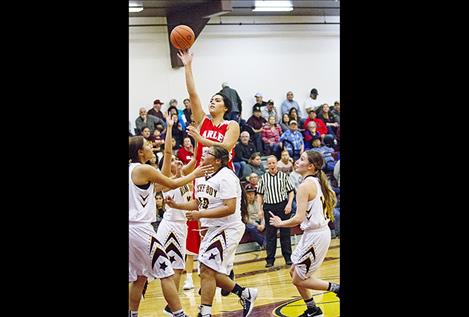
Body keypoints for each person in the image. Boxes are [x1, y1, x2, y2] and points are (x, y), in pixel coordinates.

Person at [166, 145, 258, 317]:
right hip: (213, 228)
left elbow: (229, 208)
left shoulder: (226, 177)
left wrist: (200, 214)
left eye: (208, 152)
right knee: (206, 271)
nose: (203, 153)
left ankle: (205, 313)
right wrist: (176, 205)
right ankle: (245, 293)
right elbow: (197, 202)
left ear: (217, 160)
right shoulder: (201, 175)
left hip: (228, 227)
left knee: (208, 269)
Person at [128, 135, 212, 317]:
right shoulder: (142, 169)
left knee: (140, 277)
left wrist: (169, 129)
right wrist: (195, 174)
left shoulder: (136, 172)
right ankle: (178, 313)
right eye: (147, 145)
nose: (151, 146)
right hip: (142, 229)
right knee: (166, 272)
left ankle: (132, 314)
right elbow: (172, 182)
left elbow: (164, 179)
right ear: (140, 152)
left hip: (132, 230)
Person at [269, 150, 340, 317]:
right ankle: (313, 309)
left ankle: (336, 288)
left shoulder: (305, 185)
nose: (297, 161)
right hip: (313, 234)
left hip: (316, 235)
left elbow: (299, 218)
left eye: (301, 159)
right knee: (294, 272)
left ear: (310, 166)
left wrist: (281, 223)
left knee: (298, 279)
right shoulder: (313, 181)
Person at [177, 50, 240, 170]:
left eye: (217, 100)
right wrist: (187, 66)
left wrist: (201, 140)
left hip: (223, 173)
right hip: (202, 174)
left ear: (226, 107)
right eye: (211, 100)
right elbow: (192, 94)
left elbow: (225, 147)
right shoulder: (203, 120)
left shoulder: (232, 125)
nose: (212, 102)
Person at [257, 156, 295, 268]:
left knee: (285, 233)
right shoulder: (263, 178)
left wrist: (289, 204)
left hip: (282, 206)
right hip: (269, 207)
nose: (272, 165)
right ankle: (270, 260)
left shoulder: (284, 176)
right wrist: (260, 209)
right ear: (267, 165)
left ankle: (288, 258)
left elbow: (291, 192)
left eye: (273, 163)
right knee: (270, 235)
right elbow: (259, 195)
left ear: (276, 164)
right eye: (269, 163)